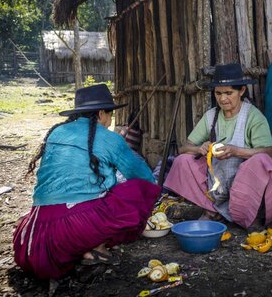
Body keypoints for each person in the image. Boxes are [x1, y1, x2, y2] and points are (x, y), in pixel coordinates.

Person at [13, 84, 161, 279]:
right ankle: (95, 246)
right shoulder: (110, 138)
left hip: (35, 240)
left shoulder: (56, 133)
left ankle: (85, 249)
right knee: (137, 189)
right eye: (109, 115)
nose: (109, 122)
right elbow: (143, 176)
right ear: (101, 113)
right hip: (76, 228)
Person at [163, 63, 272, 230]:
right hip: (215, 183)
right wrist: (199, 149)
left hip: (244, 184)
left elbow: (269, 153)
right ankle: (212, 211)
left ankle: (247, 215)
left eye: (228, 93)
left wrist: (236, 151)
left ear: (242, 91)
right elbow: (183, 148)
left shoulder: (253, 116)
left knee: (261, 160)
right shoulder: (211, 116)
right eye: (218, 93)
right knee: (183, 161)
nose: (223, 99)